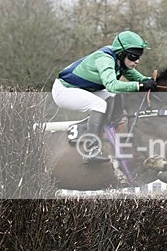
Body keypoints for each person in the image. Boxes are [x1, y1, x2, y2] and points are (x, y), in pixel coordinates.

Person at [52, 31, 156, 162]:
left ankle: (107, 131)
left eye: (138, 57)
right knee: (99, 104)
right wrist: (139, 86)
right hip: (64, 90)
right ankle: (91, 149)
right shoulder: (105, 59)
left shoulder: (120, 59)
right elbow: (112, 85)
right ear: (121, 53)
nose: (137, 61)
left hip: (83, 88)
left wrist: (151, 82)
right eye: (133, 57)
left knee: (111, 97)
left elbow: (140, 79)